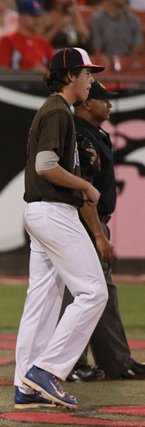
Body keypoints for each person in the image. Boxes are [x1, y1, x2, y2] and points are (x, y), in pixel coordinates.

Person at [13, 47, 108, 411]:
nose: (91, 80)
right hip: (53, 210)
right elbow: (45, 165)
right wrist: (84, 185)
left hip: (40, 211)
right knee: (93, 293)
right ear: (68, 75)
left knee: (42, 300)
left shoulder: (55, 110)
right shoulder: (57, 111)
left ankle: (27, 385)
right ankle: (46, 371)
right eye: (86, 73)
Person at [61, 81, 145, 383]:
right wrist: (98, 234)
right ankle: (72, 365)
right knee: (85, 292)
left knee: (98, 292)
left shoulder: (94, 133)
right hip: (83, 223)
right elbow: (82, 189)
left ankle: (115, 362)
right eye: (103, 100)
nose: (109, 105)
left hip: (93, 221)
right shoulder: (78, 134)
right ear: (87, 104)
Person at [0, 0, 53, 71]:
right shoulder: (8, 40)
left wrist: (45, 73)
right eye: (32, 16)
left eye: (38, 17)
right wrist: (30, 72)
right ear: (21, 16)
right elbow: (2, 68)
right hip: (17, 81)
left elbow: (56, 68)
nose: (37, 20)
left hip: (41, 81)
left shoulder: (43, 42)